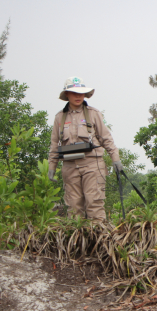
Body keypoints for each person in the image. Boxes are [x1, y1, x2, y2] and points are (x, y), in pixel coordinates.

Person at [48, 77, 122, 221]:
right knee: (73, 207)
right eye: (74, 93)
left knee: (94, 203)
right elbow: (54, 144)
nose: (78, 96)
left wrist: (116, 159)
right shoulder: (59, 117)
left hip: (92, 164)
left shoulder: (93, 113)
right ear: (67, 94)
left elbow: (106, 138)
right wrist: (52, 166)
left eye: (81, 93)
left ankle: (99, 240)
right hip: (69, 166)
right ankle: (78, 243)